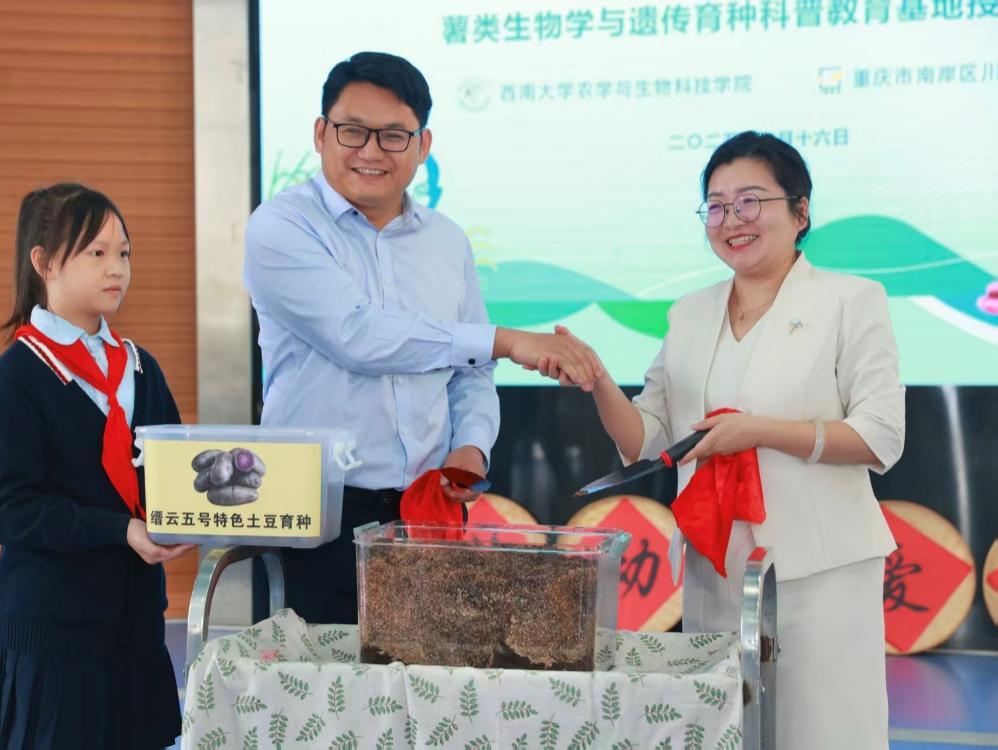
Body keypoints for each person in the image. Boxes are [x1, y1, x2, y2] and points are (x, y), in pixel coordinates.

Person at [550, 132, 904, 749]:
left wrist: (758, 431)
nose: (732, 220)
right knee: (724, 730)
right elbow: (650, 438)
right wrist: (599, 381)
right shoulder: (690, 312)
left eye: (750, 202)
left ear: (800, 211)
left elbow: (881, 435)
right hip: (716, 568)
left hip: (819, 571)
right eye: (716, 206)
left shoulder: (851, 300)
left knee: (825, 730)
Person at [243, 51, 601, 625]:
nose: (370, 151)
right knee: (318, 675)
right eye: (352, 130)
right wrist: (508, 340)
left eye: (393, 135)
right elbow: (357, 335)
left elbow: (471, 370)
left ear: (423, 144)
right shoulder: (282, 226)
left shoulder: (446, 241)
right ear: (320, 133)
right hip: (316, 510)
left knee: (430, 674)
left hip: (427, 508)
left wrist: (472, 446)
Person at [0, 183, 194, 750]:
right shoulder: (17, 376)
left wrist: (196, 514)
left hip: (136, 629)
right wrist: (118, 529)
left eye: (123, 252)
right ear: (44, 262)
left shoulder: (141, 368)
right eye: (96, 252)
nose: (116, 268)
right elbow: (5, 509)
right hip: (55, 636)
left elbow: (171, 476)